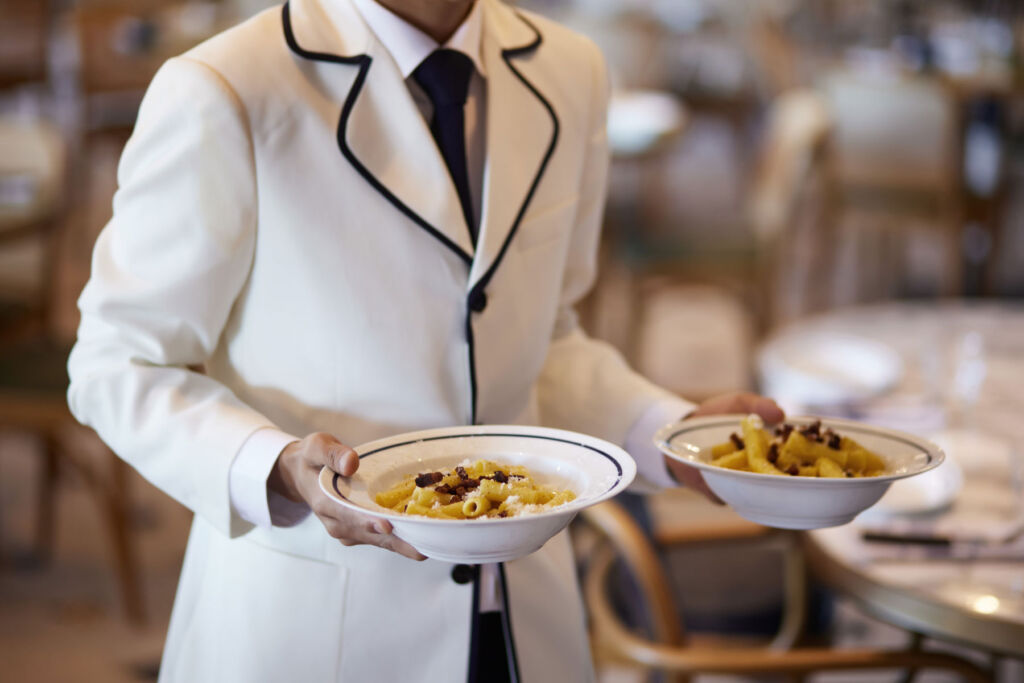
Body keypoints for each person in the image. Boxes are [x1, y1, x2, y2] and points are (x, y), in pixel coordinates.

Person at [67, 0, 782, 680]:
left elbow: (544, 341)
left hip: (524, 616)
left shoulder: (573, 70)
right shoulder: (225, 87)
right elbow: (115, 360)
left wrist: (668, 430)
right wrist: (275, 466)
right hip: (321, 622)